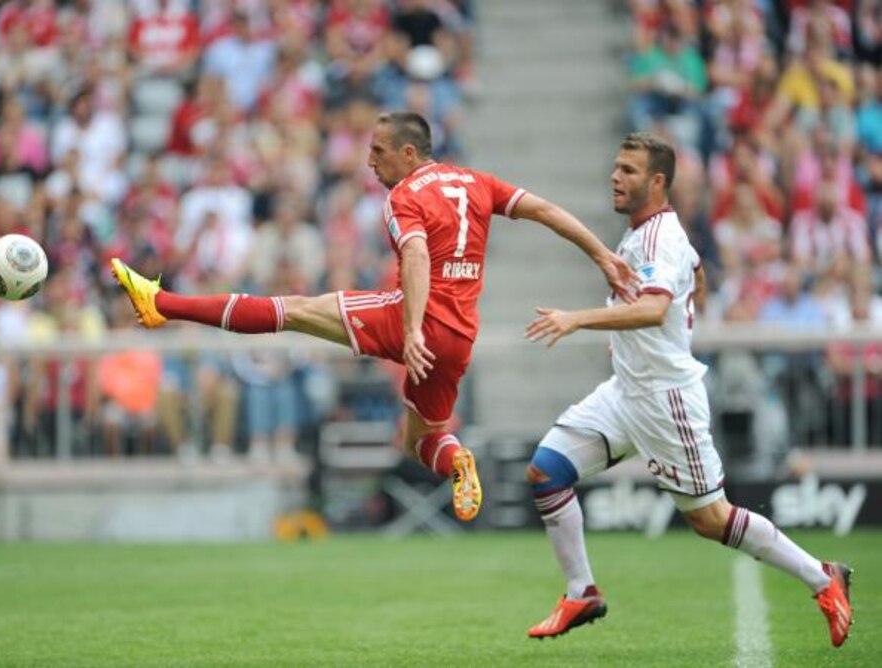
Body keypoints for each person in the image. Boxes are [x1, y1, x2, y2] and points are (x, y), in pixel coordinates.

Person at [111, 111, 638, 522]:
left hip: (415, 322)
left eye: (379, 152)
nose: (370, 162)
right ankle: (456, 459)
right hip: (458, 338)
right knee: (419, 438)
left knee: (292, 309)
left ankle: (161, 305)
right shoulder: (476, 182)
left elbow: (415, 255)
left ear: (409, 153)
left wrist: (409, 329)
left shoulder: (404, 196)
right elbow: (546, 210)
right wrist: (601, 255)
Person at [522, 132, 853, 647]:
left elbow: (654, 307)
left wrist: (577, 320)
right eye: (615, 167)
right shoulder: (649, 233)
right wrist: (675, 315)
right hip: (625, 391)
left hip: (665, 400)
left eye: (628, 171)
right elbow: (694, 271)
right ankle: (580, 591)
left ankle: (822, 576)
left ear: (657, 182)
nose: (615, 176)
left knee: (710, 519)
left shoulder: (659, 239)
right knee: (546, 470)